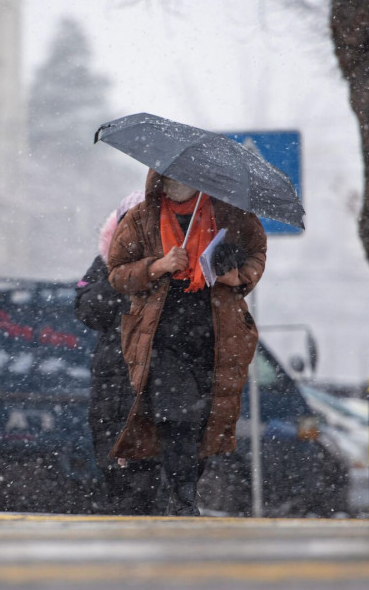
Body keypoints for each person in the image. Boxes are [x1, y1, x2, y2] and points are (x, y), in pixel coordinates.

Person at [106, 170, 266, 516]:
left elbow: (256, 253)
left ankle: (183, 487)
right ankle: (183, 498)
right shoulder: (140, 219)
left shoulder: (230, 215)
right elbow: (117, 273)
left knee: (205, 419)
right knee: (175, 414)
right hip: (162, 335)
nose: (179, 185)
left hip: (216, 334)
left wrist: (238, 276)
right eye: (171, 178)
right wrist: (158, 266)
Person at [74, 191, 161, 515]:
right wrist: (120, 276)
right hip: (113, 389)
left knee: (152, 483)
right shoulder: (106, 262)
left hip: (157, 388)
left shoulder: (170, 265)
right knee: (118, 481)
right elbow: (86, 310)